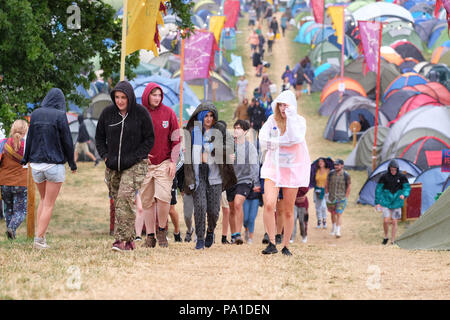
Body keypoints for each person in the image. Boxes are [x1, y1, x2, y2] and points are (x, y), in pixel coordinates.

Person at [96, 81, 154, 251]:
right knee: (119, 201)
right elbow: (99, 138)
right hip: (113, 165)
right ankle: (129, 241)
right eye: (117, 97)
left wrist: (137, 157)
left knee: (124, 197)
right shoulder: (108, 113)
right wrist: (105, 156)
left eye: (123, 97)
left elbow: (149, 139)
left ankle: (119, 241)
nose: (120, 101)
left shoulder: (141, 113)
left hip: (136, 164)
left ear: (130, 97)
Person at [22, 88, 78, 249]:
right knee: (48, 204)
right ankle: (39, 240)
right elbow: (67, 142)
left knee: (43, 201)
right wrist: (72, 164)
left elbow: (30, 137)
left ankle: (41, 237)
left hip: (36, 166)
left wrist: (25, 159)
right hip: (54, 165)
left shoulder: (36, 114)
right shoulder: (60, 116)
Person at [259, 90, 311, 255]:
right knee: (269, 203)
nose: (283, 108)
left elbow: (295, 138)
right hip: (273, 167)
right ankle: (272, 242)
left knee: (288, 210)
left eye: (286, 105)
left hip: (291, 170)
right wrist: (278, 142)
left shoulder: (299, 122)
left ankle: (286, 245)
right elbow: (263, 140)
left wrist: (290, 120)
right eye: (280, 105)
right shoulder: (271, 121)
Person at [184, 102, 237, 250]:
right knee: (200, 206)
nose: (208, 119)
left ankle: (210, 231)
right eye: (205, 116)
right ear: (199, 116)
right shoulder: (192, 132)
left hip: (215, 175)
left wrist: (212, 149)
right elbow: (186, 156)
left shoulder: (220, 131)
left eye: (211, 116)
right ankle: (200, 238)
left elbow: (230, 147)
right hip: (198, 173)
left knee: (213, 210)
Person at [139, 82, 181, 248]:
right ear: (147, 95)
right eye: (154, 95)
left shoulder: (169, 113)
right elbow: (133, 138)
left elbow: (176, 139)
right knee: (147, 201)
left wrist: (173, 161)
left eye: (159, 95)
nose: (157, 98)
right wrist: (140, 154)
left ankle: (162, 230)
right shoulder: (140, 114)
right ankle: (150, 236)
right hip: (144, 164)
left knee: (163, 198)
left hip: (164, 162)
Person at [227, 120, 261, 244]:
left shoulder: (250, 147)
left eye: (239, 128)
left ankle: (238, 234)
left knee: (237, 204)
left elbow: (254, 165)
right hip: (231, 181)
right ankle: (234, 235)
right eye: (235, 127)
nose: (236, 130)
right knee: (231, 208)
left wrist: (256, 182)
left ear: (245, 131)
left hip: (245, 180)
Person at [0, 120, 29, 240]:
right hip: (21, 182)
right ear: (25, 130)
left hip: (4, 181)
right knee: (21, 211)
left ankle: (11, 238)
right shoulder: (28, 145)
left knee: (8, 210)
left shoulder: (3, 143)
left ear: (12, 129)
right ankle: (12, 228)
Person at [375, 159, 411, 245]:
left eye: (394, 169)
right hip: (386, 201)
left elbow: (407, 188)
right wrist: (377, 202)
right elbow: (378, 189)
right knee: (386, 221)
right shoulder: (384, 177)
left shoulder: (402, 177)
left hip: (397, 201)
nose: (393, 171)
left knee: (395, 221)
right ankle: (386, 236)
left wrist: (404, 195)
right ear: (389, 169)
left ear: (397, 169)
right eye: (391, 169)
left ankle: (393, 240)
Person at [325, 159, 351, 239]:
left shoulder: (346, 175)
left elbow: (349, 186)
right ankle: (333, 227)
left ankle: (338, 230)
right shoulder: (331, 174)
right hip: (331, 197)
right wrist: (326, 194)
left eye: (338, 165)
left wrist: (346, 197)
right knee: (333, 214)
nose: (336, 166)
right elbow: (326, 184)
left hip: (341, 198)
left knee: (339, 213)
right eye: (335, 165)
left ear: (342, 165)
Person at [311, 158, 330, 229]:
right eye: (319, 162)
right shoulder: (316, 171)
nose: (320, 163)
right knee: (317, 207)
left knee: (324, 206)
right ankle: (319, 221)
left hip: (324, 190)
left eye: (322, 161)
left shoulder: (328, 171)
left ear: (325, 163)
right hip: (317, 190)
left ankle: (324, 220)